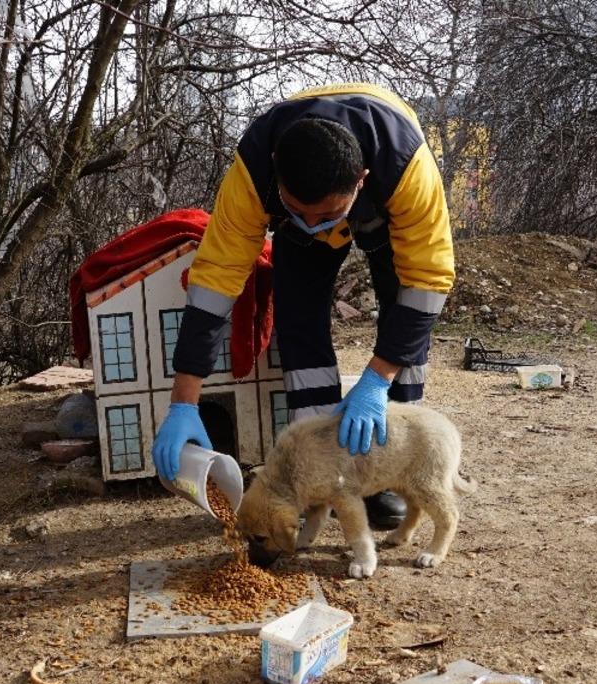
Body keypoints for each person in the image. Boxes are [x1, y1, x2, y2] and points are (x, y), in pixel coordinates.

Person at [150, 82, 454, 531]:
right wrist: (184, 403)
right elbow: (215, 282)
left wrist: (377, 379)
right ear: (276, 170)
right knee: (297, 317)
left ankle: (390, 469)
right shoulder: (254, 169)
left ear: (361, 179)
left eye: (326, 216)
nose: (314, 225)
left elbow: (427, 280)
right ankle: (322, 475)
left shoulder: (406, 166)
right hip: (305, 198)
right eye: (299, 210)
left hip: (384, 215)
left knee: (401, 305)